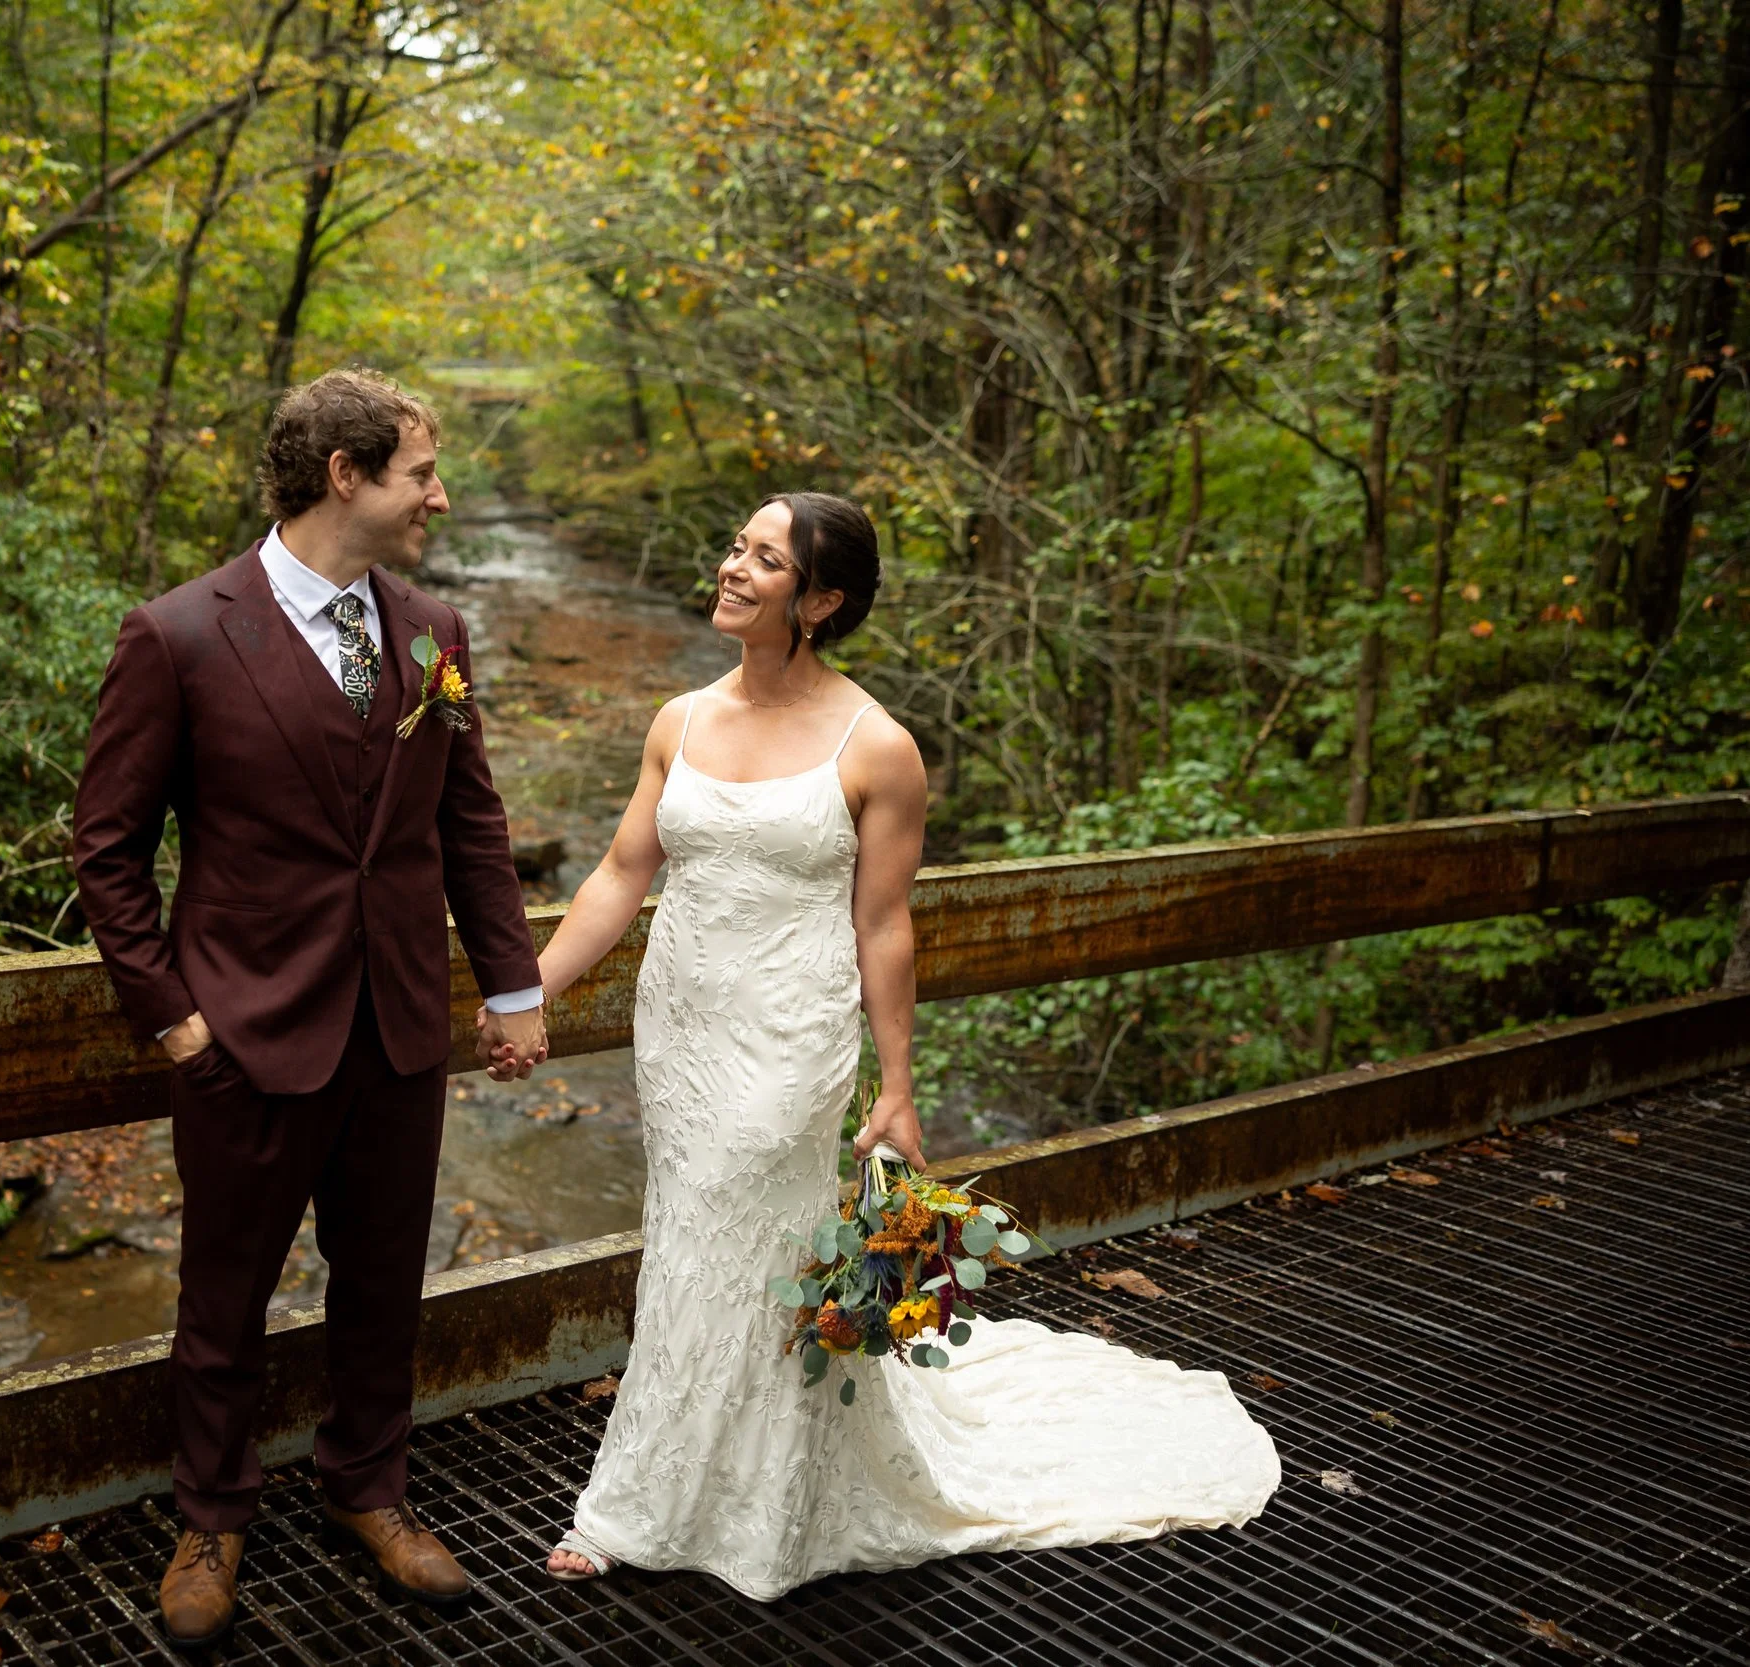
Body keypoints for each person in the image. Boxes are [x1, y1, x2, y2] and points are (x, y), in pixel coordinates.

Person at [511, 491, 1280, 1598]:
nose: (732, 566)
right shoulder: (678, 720)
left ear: (819, 601)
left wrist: (900, 1084)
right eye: (737, 544)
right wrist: (526, 990)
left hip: (788, 1030)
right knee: (692, 1240)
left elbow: (883, 924)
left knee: (738, 1233)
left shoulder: (879, 747)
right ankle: (702, 1478)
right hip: (680, 1025)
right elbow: (622, 874)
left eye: (763, 558)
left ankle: (646, 1500)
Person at [70, 369, 549, 1647]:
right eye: (420, 473)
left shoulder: (435, 630)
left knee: (385, 1280)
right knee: (223, 1296)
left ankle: (368, 1487)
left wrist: (510, 985)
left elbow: (470, 823)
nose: (438, 497)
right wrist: (172, 1017)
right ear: (345, 475)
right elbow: (106, 848)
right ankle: (213, 1515)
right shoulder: (175, 633)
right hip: (242, 1028)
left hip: (399, 1023)